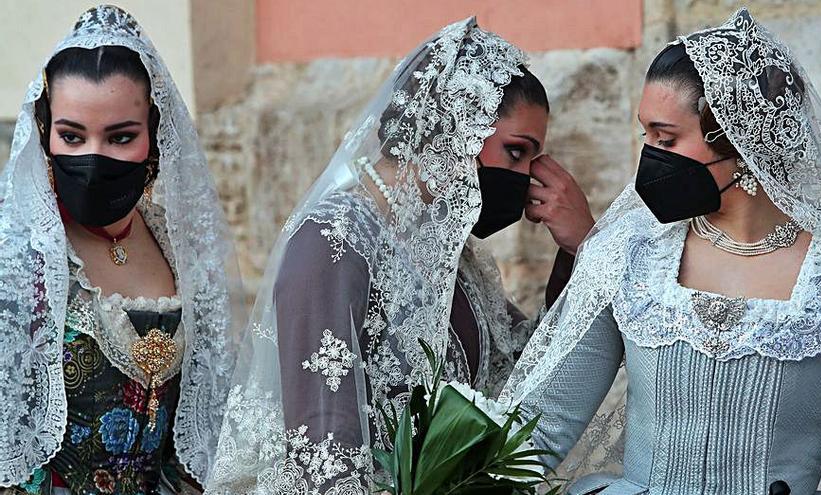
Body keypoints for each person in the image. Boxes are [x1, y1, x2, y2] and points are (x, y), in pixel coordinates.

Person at [205, 18, 591, 494]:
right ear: (453, 128)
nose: (528, 177)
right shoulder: (333, 242)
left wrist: (579, 250)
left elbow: (522, 370)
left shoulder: (450, 254)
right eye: (515, 153)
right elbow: (325, 458)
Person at [502, 8, 821, 494]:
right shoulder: (629, 255)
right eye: (648, 137)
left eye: (666, 138)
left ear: (741, 141)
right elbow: (537, 429)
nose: (650, 158)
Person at [0, 5, 244, 493]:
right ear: (45, 133)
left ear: (153, 137)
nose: (93, 158)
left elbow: (197, 437)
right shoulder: (20, 263)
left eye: (120, 137)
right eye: (72, 136)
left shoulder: (180, 251)